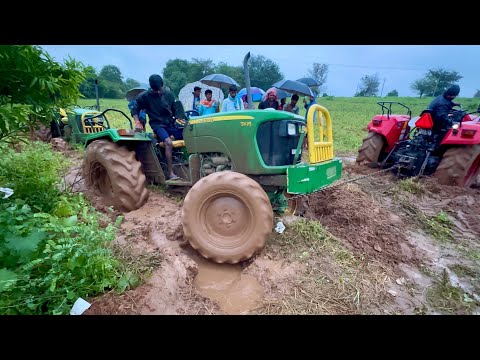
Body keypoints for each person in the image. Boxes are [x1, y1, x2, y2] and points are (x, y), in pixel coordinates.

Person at [131, 74, 180, 180]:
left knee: (187, 135)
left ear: (162, 86)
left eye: (159, 89)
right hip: (157, 124)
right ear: (151, 87)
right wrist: (137, 122)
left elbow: (175, 109)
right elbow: (135, 109)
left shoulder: (168, 94)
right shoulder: (144, 96)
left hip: (170, 123)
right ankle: (170, 173)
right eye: (155, 90)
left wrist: (178, 118)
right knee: (168, 142)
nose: (158, 92)